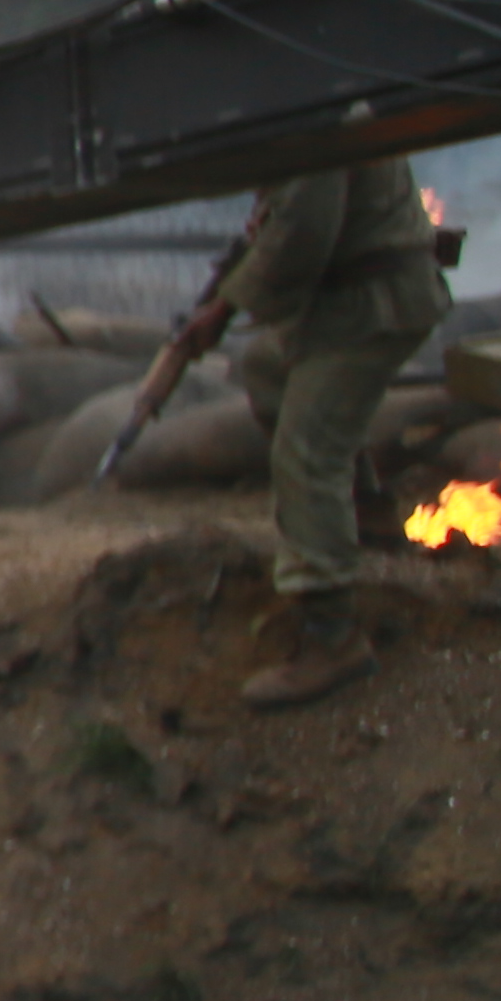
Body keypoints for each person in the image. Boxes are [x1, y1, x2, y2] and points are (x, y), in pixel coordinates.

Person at [175, 152, 453, 709]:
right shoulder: (304, 90)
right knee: (266, 368)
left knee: (305, 454)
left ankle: (332, 635)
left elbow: (303, 234)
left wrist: (223, 308)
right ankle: (367, 513)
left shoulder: (317, 108)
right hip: (352, 296)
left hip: (374, 301)